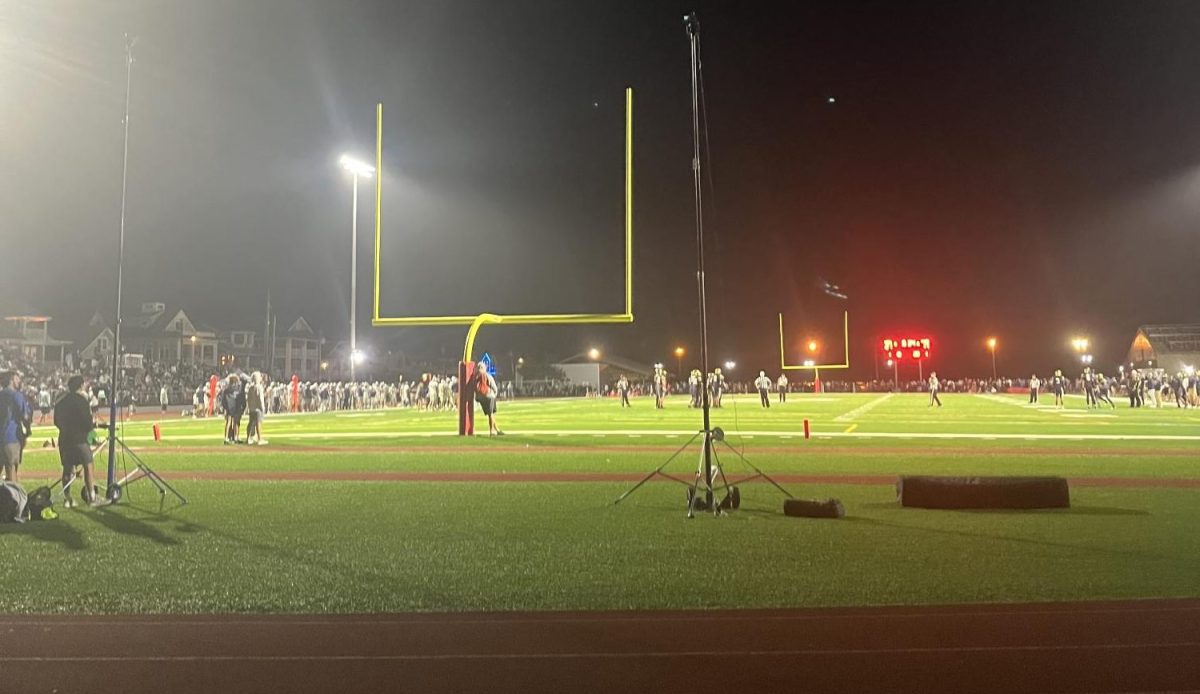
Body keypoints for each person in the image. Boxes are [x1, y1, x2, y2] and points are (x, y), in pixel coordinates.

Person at [54, 375, 98, 507]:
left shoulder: (61, 401)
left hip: (65, 439)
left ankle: (67, 498)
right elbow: (87, 422)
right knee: (88, 465)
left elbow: (56, 421)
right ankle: (92, 497)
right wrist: (92, 434)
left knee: (67, 469)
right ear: (81, 385)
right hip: (79, 439)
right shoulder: (82, 400)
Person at [0, 371, 32, 483]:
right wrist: (28, 430)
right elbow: (25, 416)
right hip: (11, 437)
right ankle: (13, 499)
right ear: (12, 379)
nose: (19, 381)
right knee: (11, 469)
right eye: (17, 378)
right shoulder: (16, 395)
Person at [473, 361, 502, 436]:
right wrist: (494, 394)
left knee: (490, 414)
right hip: (489, 396)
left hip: (481, 398)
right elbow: (494, 387)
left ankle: (497, 429)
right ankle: (491, 430)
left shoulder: (476, 377)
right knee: (491, 414)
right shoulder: (487, 376)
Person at [245, 372, 267, 445]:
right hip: (257, 408)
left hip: (252, 408)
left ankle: (248, 438)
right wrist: (263, 408)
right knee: (258, 423)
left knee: (250, 423)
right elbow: (260, 399)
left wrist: (249, 407)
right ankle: (259, 439)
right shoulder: (259, 387)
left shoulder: (250, 387)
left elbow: (248, 398)